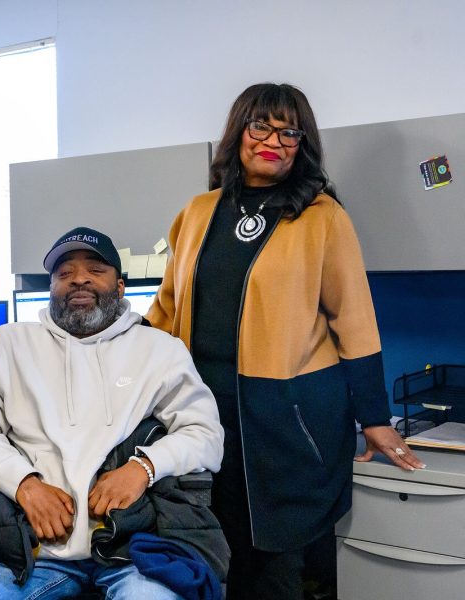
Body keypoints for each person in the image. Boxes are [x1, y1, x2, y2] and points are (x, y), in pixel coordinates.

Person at [145, 82, 425, 600]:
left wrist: (376, 419)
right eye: (261, 125)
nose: (273, 139)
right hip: (202, 412)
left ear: (303, 143)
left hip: (289, 419)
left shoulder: (323, 218)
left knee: (275, 568)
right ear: (239, 133)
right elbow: (164, 310)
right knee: (212, 555)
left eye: (289, 130)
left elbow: (355, 322)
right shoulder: (198, 212)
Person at [0, 226, 226, 599]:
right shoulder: (4, 347)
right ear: (51, 289)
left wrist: (143, 468)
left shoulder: (160, 350)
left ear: (121, 287)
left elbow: (205, 433)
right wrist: (24, 484)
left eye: (95, 270)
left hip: (134, 549)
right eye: (64, 273)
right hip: (33, 553)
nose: (78, 279)